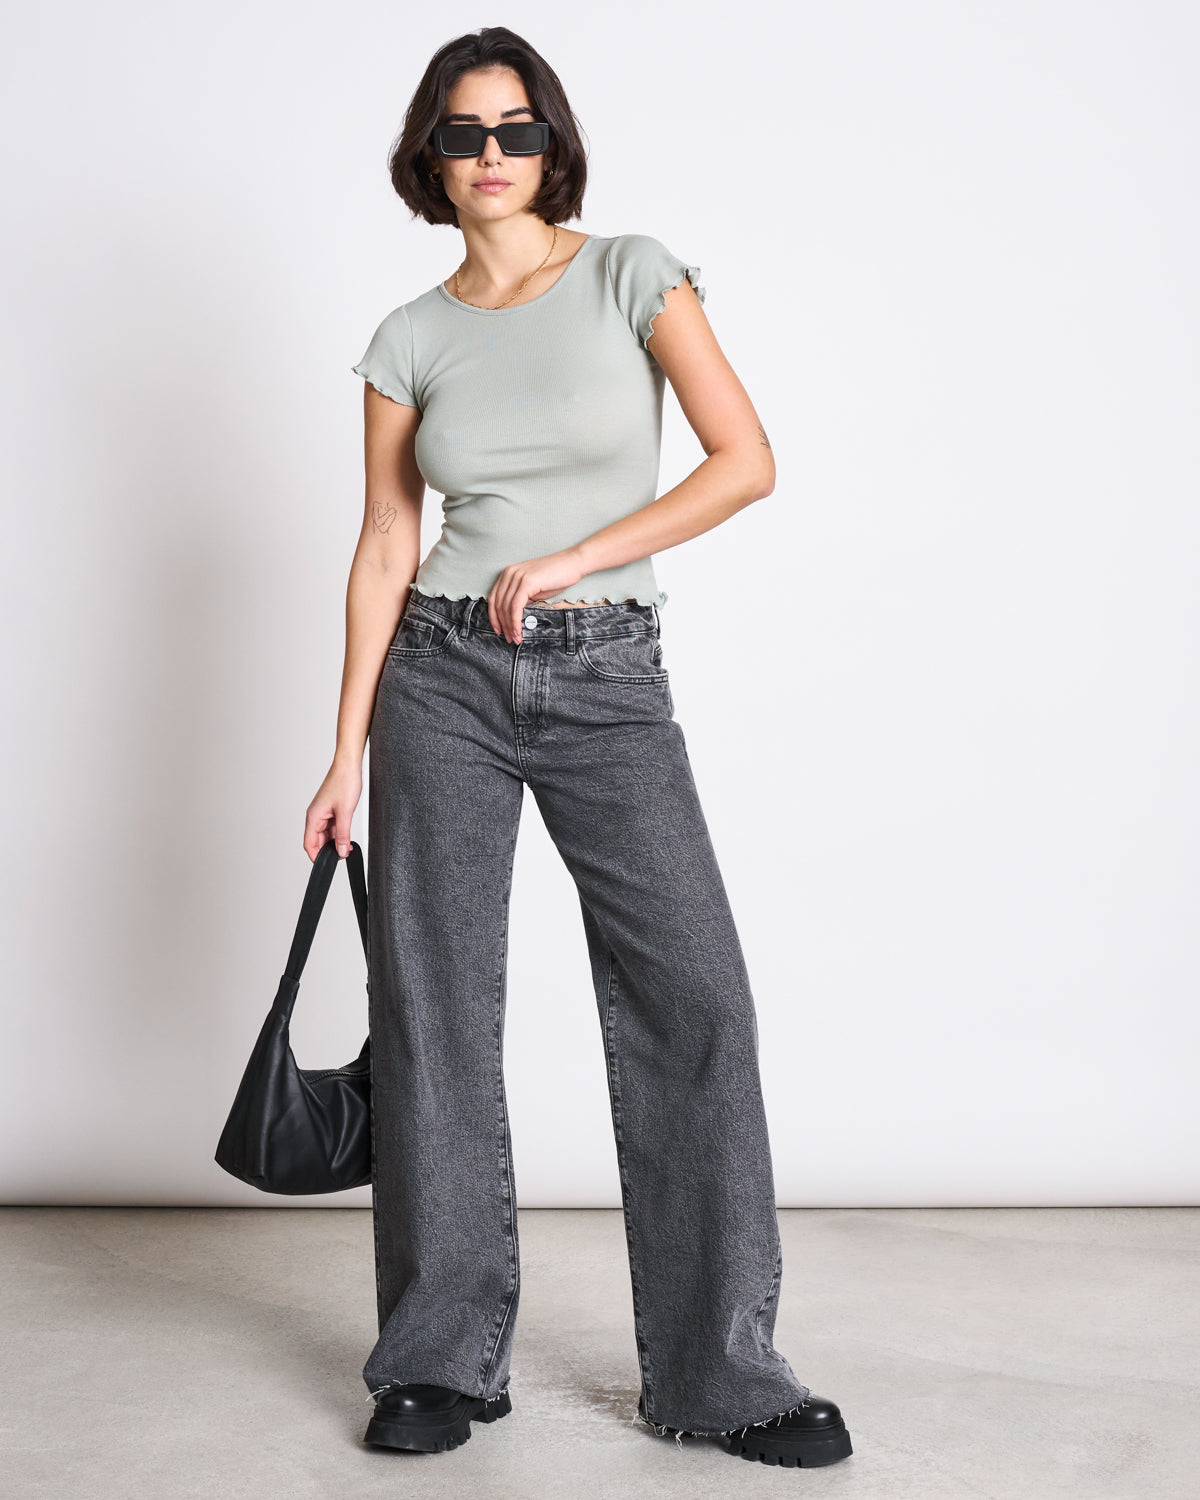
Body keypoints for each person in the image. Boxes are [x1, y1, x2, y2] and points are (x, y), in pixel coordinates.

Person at [305, 25, 853, 1471]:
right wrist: (343, 746)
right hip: (437, 677)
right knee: (434, 1011)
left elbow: (746, 461)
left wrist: (577, 557)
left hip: (609, 671)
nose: (491, 157)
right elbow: (382, 545)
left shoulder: (631, 273)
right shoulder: (406, 337)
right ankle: (436, 1359)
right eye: (462, 134)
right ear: (428, 156)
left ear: (555, 144)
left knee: (695, 998)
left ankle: (724, 1372)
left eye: (516, 129)